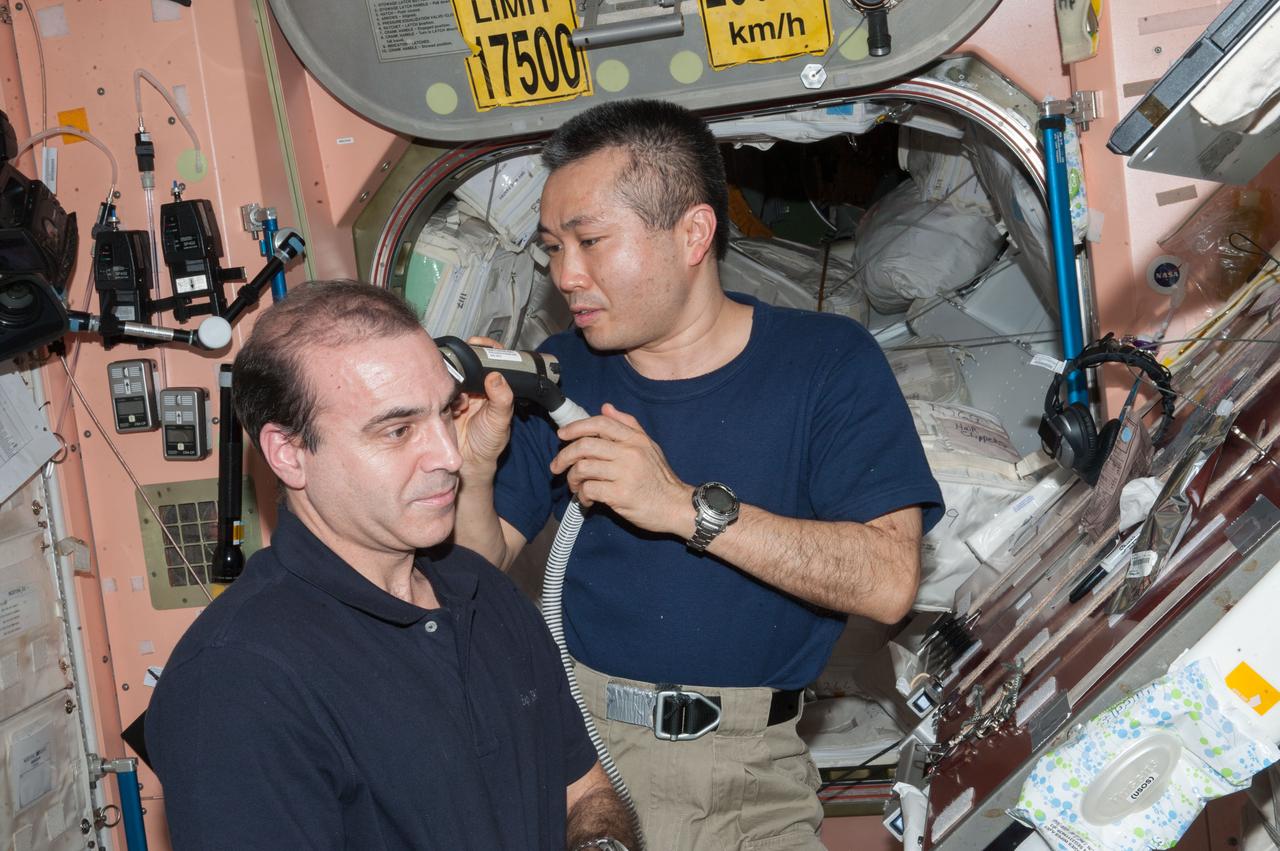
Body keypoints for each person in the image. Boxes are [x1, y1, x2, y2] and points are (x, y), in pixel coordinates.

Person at [453, 99, 944, 850]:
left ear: (693, 232)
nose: (566, 274)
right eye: (552, 247)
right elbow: (473, 569)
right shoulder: (560, 372)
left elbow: (888, 581)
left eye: (590, 241)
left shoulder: (826, 363)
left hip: (754, 772)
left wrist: (683, 507)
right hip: (582, 753)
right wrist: (474, 467)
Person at [145, 280, 636, 851]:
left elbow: (585, 791)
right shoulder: (234, 682)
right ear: (289, 453)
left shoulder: (483, 590)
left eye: (445, 413)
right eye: (398, 430)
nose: (449, 456)